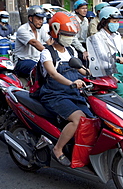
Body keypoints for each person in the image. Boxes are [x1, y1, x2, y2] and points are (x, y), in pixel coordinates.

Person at [39, 12, 93, 166]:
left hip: (72, 93)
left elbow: (79, 68)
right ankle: (58, 149)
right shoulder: (47, 53)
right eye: (66, 35)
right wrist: (71, 83)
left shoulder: (71, 51)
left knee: (92, 118)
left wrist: (90, 74)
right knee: (78, 119)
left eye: (71, 35)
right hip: (53, 94)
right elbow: (53, 73)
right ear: (56, 33)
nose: (69, 38)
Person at [87, 7, 123, 99]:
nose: (116, 24)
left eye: (118, 21)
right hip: (108, 72)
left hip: (122, 71)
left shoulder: (116, 36)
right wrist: (117, 59)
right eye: (114, 21)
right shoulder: (97, 38)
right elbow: (101, 55)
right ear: (104, 22)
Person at [14, 5, 52, 78]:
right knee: (40, 69)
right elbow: (34, 43)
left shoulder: (40, 29)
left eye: (42, 18)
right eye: (38, 18)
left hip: (37, 60)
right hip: (23, 61)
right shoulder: (22, 29)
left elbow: (49, 42)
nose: (41, 21)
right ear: (30, 18)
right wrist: (49, 53)